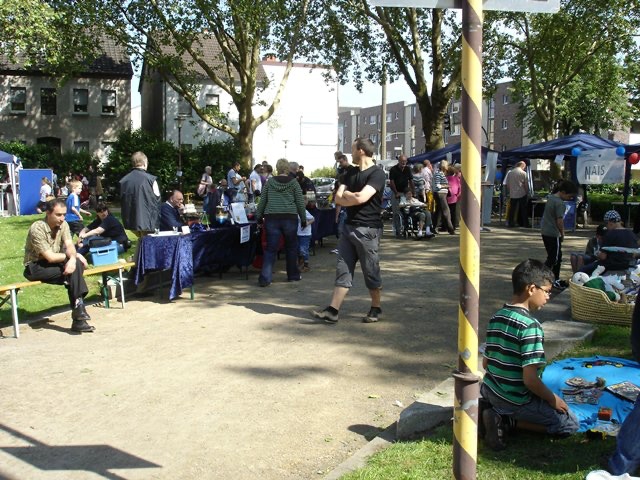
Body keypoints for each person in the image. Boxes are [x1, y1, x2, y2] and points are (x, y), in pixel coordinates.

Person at [480, 259, 580, 450]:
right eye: (547, 291)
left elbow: (486, 363)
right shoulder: (531, 327)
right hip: (514, 399)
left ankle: (490, 410)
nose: (548, 297)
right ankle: (506, 421)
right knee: (570, 423)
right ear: (532, 289)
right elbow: (530, 380)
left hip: (490, 390)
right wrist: (552, 399)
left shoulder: (496, 317)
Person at [312, 137, 386, 324]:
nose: (350, 153)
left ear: (361, 150)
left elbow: (361, 198)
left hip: (368, 229)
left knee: (370, 269)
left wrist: (348, 195)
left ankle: (376, 307)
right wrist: (350, 196)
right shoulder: (350, 172)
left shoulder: (377, 174)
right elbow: (337, 198)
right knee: (342, 268)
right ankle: (333, 310)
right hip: (349, 227)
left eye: (352, 149)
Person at [23, 198, 95, 333]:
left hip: (56, 263)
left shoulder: (64, 224)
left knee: (74, 269)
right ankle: (79, 315)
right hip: (35, 267)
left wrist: (73, 258)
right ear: (48, 213)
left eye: (64, 214)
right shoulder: (37, 228)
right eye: (58, 215)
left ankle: (79, 314)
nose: (62, 218)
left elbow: (69, 245)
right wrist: (74, 257)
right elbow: (50, 257)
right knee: (75, 271)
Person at [255, 158, 307, 287]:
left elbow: (263, 201)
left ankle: (265, 278)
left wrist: (258, 217)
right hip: (290, 218)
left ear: (277, 168)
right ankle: (293, 275)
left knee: (271, 249)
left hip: (272, 218)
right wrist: (303, 219)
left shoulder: (269, 182)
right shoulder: (294, 183)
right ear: (287, 168)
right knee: (291, 248)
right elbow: (300, 202)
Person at [540, 180, 577, 290]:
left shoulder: (551, 198)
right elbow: (559, 221)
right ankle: (545, 277)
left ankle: (553, 278)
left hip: (545, 231)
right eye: (569, 196)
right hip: (553, 233)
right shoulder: (560, 203)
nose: (569, 199)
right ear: (563, 192)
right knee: (554, 258)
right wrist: (562, 233)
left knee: (555, 257)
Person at [580, 210, 639, 275]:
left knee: (581, 271)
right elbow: (635, 254)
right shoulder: (631, 234)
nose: (607, 227)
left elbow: (603, 257)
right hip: (628, 266)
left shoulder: (610, 234)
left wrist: (597, 253)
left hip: (610, 266)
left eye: (606, 224)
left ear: (610, 223)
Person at [120, 151, 161, 237]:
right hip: (148, 222)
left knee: (140, 240)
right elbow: (157, 199)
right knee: (147, 242)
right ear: (145, 163)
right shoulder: (151, 180)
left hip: (131, 221)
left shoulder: (123, 181)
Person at [389, 155, 414, 239]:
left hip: (405, 192)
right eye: (402, 161)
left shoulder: (408, 169)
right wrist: (396, 193)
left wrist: (413, 192)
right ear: (399, 161)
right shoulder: (393, 169)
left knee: (406, 211)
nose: (403, 163)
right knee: (396, 212)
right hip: (396, 192)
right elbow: (392, 182)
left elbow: (411, 181)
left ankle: (406, 229)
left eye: (405, 161)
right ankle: (398, 231)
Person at [505, 161, 529, 227]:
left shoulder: (510, 173)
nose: (524, 168)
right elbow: (526, 184)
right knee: (523, 209)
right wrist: (527, 192)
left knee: (512, 210)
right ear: (522, 166)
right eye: (524, 167)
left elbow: (508, 184)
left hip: (513, 193)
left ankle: (510, 223)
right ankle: (525, 223)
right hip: (522, 193)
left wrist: (510, 191)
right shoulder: (523, 173)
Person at [432, 160, 455, 234]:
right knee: (446, 211)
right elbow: (438, 185)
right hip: (440, 194)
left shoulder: (441, 173)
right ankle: (450, 229)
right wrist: (446, 186)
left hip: (441, 194)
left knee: (438, 211)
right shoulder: (439, 174)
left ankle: (434, 227)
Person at [297, 208, 315, 273]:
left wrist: (306, 224)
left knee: (303, 249)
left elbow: (312, 219)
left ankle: (306, 265)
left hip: (305, 234)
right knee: (299, 249)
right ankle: (300, 264)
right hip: (298, 233)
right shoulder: (294, 211)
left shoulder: (304, 211)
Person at [446, 164, 462, 230]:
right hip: (455, 196)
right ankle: (454, 224)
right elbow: (459, 187)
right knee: (454, 211)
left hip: (451, 196)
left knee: (451, 211)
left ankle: (451, 224)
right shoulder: (456, 177)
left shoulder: (449, 178)